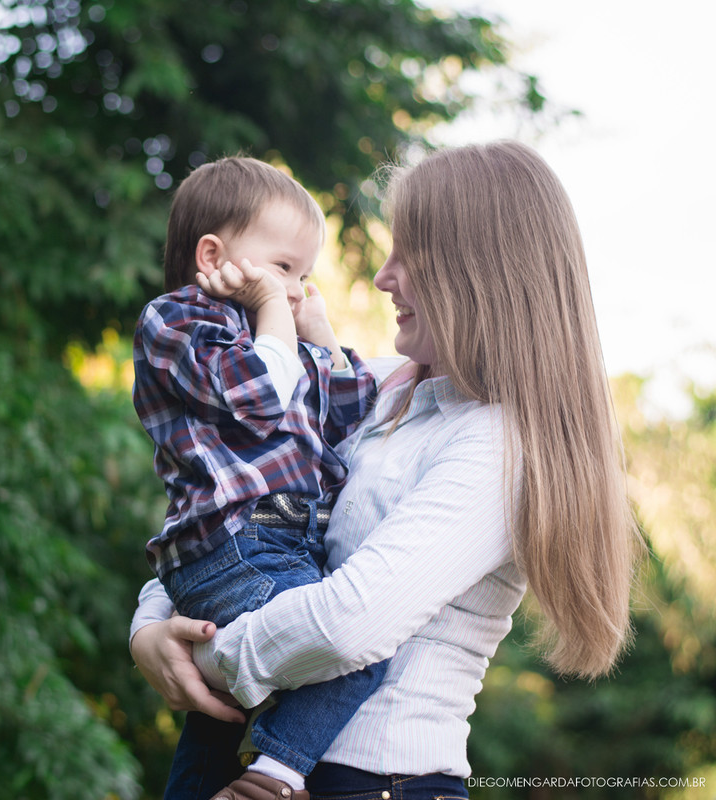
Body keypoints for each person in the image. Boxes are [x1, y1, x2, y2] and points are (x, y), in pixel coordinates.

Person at [130, 141, 642, 800]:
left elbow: (350, 624)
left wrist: (201, 658)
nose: (381, 277)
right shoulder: (375, 393)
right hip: (261, 759)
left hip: (374, 780)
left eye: (407, 254)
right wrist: (150, 627)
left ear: (475, 272)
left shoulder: (500, 445)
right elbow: (238, 507)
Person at [132, 155, 381, 800]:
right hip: (233, 545)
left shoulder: (281, 340)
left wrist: (319, 335)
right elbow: (259, 395)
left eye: (304, 275)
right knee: (356, 648)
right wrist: (273, 312)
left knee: (218, 719)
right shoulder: (177, 321)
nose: (295, 289)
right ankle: (273, 777)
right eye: (283, 268)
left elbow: (352, 408)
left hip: (277, 545)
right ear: (212, 256)